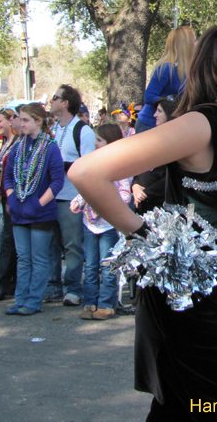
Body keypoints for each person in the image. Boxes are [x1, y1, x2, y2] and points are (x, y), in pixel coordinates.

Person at [69, 15, 217, 420]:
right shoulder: (202, 124)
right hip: (186, 306)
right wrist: (145, 237)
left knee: (180, 409)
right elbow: (87, 172)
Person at [4, 103, 64, 315]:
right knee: (23, 258)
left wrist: (38, 204)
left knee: (39, 258)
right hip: (19, 211)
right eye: (20, 119)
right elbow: (9, 176)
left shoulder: (50, 147)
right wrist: (12, 200)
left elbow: (57, 182)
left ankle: (34, 300)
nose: (21, 123)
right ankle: (20, 299)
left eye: (26, 119)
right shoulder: (18, 147)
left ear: (39, 121)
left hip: (40, 212)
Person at [71, 124, 130, 321]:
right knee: (90, 265)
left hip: (108, 225)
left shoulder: (119, 167)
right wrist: (78, 200)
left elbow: (124, 193)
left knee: (107, 264)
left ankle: (106, 304)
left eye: (99, 140)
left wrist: (108, 204)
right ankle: (90, 301)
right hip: (90, 223)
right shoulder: (92, 163)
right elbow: (86, 186)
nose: (95, 144)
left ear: (110, 142)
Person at [46, 84, 96, 306]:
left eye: (54, 98)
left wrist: (65, 167)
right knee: (50, 244)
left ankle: (73, 288)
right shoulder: (51, 129)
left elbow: (90, 166)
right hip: (49, 197)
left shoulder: (82, 130)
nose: (50, 101)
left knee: (73, 245)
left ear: (65, 103)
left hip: (71, 198)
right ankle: (52, 286)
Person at [0, 107, 21, 302]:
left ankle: (0, 284)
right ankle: (8, 282)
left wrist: (9, 198)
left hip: (10, 198)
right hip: (0, 197)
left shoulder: (17, 143)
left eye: (1, 121)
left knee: (9, 241)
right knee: (3, 239)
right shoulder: (5, 143)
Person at [135, 26, 195, 133]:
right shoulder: (167, 68)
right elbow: (149, 97)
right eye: (194, 41)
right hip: (150, 124)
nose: (197, 44)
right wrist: (169, 101)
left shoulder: (190, 70)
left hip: (168, 125)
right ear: (186, 45)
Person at [132, 96, 179, 215]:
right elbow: (140, 168)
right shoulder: (150, 139)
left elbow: (173, 176)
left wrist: (147, 192)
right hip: (142, 206)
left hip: (162, 209)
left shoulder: (178, 144)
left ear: (170, 114)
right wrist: (135, 186)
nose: (154, 115)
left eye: (159, 111)